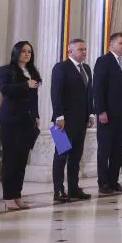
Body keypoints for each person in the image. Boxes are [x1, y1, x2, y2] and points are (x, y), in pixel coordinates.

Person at [0, 41, 41, 210]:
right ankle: (8, 196)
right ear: (16, 52)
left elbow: (34, 97)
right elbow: (5, 89)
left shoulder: (32, 72)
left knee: (22, 159)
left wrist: (36, 115)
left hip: (27, 120)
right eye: (23, 51)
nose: (27, 54)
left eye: (29, 51)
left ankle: (17, 195)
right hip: (10, 120)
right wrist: (25, 85)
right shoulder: (5, 70)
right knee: (10, 159)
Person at [50, 38, 94, 202]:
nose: (84, 52)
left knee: (76, 156)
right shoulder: (61, 67)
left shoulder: (87, 69)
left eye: (85, 49)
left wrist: (91, 113)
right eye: (81, 49)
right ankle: (58, 190)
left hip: (81, 120)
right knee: (61, 155)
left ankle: (74, 189)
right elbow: (56, 93)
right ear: (70, 51)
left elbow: (90, 93)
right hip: (64, 121)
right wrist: (59, 116)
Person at [92, 32, 122, 195]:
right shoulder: (103, 61)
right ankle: (103, 183)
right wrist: (100, 110)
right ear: (111, 44)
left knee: (118, 148)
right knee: (105, 149)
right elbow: (98, 88)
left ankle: (113, 180)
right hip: (107, 113)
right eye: (121, 43)